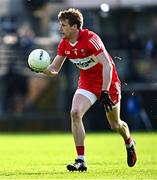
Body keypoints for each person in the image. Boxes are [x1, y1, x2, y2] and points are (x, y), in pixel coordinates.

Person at [30, 8, 137, 171]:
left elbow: (107, 65)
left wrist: (105, 91)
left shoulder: (91, 39)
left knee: (115, 125)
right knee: (75, 113)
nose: (60, 29)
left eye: (63, 25)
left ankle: (129, 142)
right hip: (87, 83)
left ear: (75, 27)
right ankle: (81, 160)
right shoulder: (64, 43)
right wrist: (40, 68)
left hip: (107, 82)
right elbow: (54, 69)